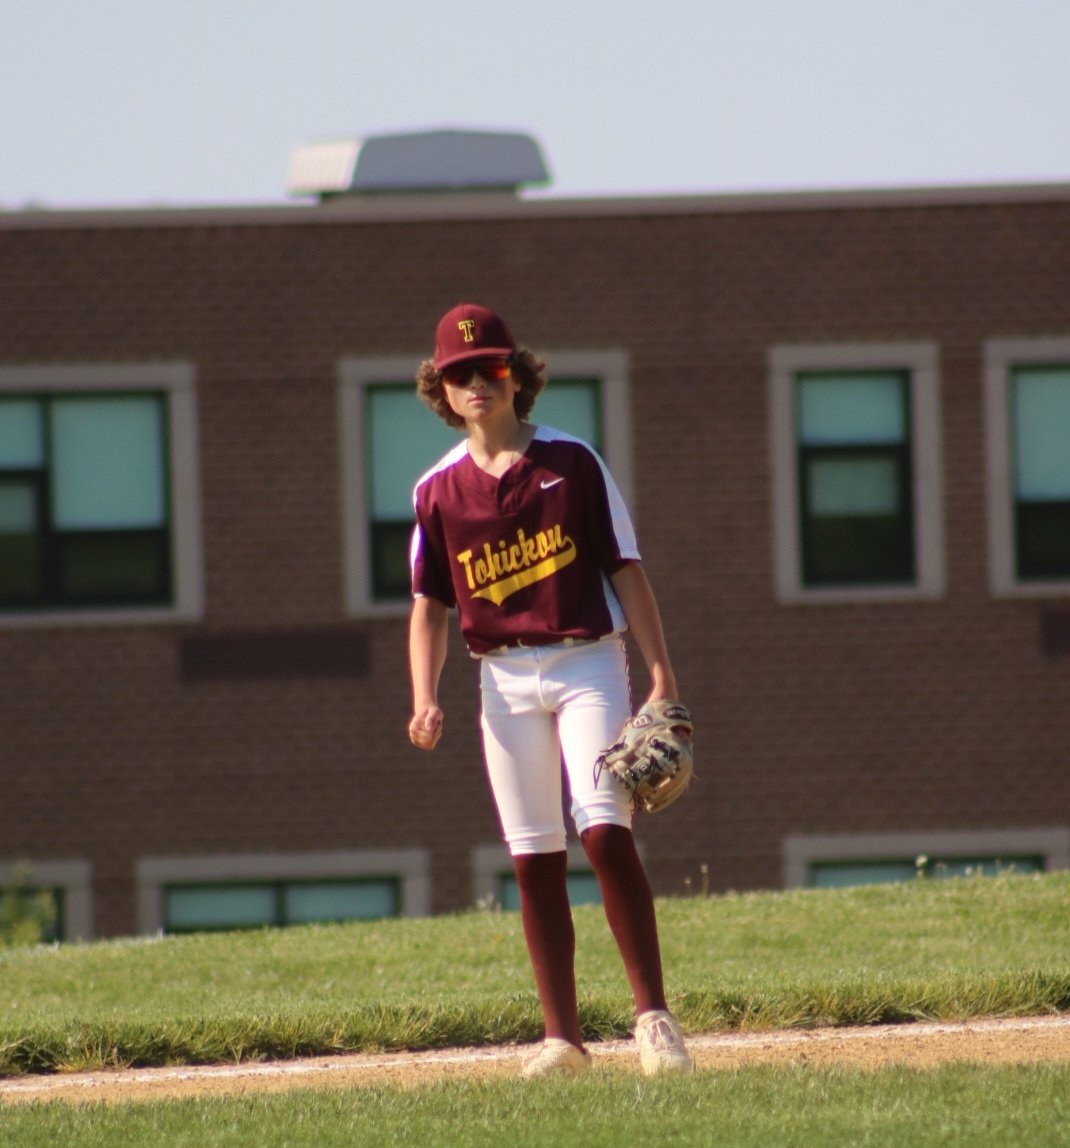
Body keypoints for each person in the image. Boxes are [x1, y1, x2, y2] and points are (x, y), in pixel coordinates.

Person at [407, 302, 693, 1078]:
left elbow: (625, 569)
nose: (476, 382)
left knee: (603, 829)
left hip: (586, 661)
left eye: (491, 366)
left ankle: (654, 1021)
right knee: (533, 857)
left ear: (516, 374)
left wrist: (661, 672)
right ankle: (561, 1040)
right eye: (459, 372)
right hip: (500, 679)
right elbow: (428, 605)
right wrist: (424, 696)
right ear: (441, 386)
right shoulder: (435, 491)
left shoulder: (572, 462)